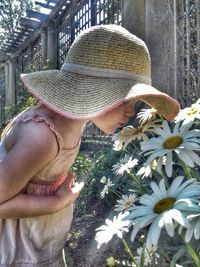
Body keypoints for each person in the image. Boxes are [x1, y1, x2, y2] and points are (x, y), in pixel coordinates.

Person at [0, 24, 180, 266]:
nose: (131, 113)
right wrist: (56, 203)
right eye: (124, 100)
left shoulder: (74, 122)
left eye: (135, 103)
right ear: (90, 93)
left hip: (39, 242)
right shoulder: (41, 137)